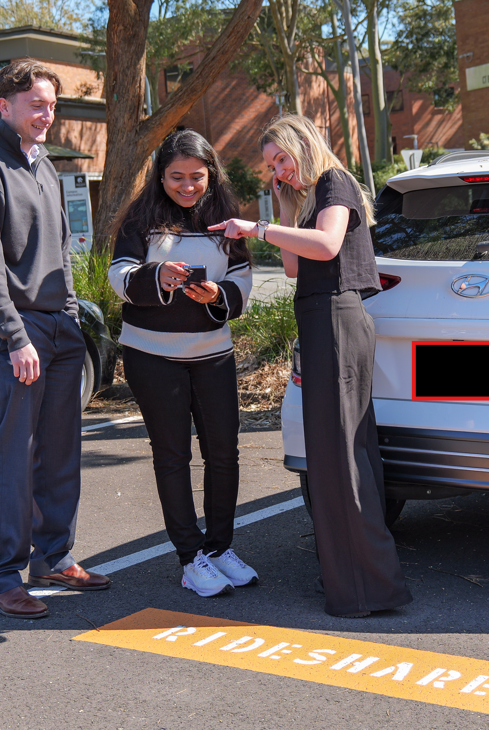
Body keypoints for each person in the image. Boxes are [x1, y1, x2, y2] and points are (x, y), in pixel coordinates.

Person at [210, 114, 411, 618]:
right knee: (332, 454)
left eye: (282, 158)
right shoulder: (309, 197)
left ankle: (366, 589)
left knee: (341, 454)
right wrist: (282, 203)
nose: (279, 169)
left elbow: (328, 246)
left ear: (304, 144)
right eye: (272, 165)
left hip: (339, 320)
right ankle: (352, 582)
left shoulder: (334, 181)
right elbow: (298, 265)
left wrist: (257, 228)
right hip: (322, 322)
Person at [0, 59, 110, 620]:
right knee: (15, 453)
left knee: (61, 449)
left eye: (52, 106)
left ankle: (53, 557)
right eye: (37, 105)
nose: (47, 115)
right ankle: (1, 575)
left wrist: (69, 315)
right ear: (5, 106)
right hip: (9, 329)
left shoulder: (43, 167)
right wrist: (15, 336)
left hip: (58, 325)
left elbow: (61, 248)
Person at [107, 129, 257, 598]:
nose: (187, 186)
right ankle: (190, 558)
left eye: (197, 176)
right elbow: (119, 274)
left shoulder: (225, 218)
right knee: (173, 456)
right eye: (176, 177)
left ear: (211, 173)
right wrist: (158, 275)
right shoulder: (140, 218)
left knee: (224, 452)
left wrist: (219, 294)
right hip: (152, 356)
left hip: (213, 354)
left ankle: (218, 548)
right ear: (161, 176)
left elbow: (242, 276)